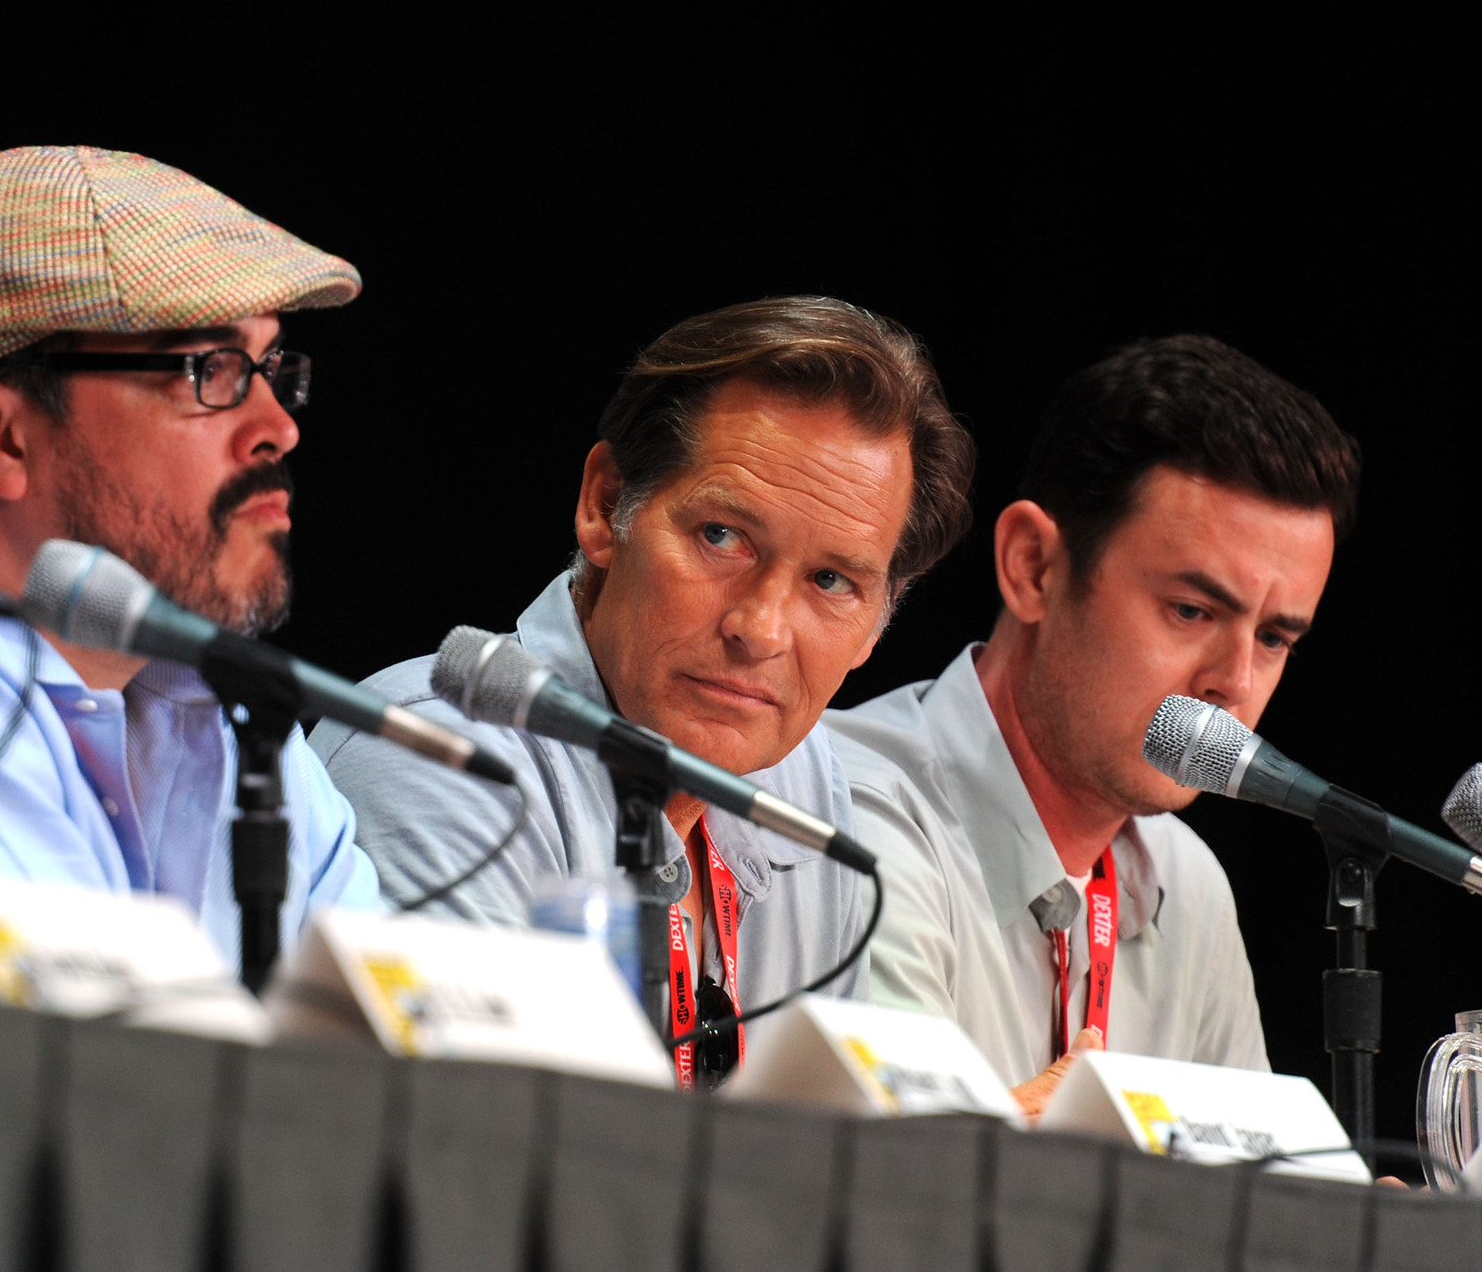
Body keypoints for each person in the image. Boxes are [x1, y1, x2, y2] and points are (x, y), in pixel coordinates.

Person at [316, 296, 976, 1086]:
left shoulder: (810, 786)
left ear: (877, 625)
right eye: (721, 536)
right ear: (604, 508)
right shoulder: (437, 754)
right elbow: (473, 1157)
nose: (760, 628)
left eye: (832, 580)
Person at [0, 146, 382, 968]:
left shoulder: (233, 712)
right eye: (209, 369)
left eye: (272, 365)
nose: (277, 424)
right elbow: (102, 1073)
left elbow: (393, 1061)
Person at [822, 335, 1360, 1114]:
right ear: (1033, 565)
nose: (1235, 681)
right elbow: (903, 1190)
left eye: (1275, 637)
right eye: (1191, 609)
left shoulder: (1190, 884)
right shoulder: (855, 807)